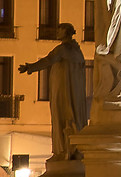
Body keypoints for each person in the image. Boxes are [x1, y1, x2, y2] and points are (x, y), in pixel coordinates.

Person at [20, 21, 90, 153]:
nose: (57, 32)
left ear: (67, 32)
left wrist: (30, 67)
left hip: (63, 91)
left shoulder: (63, 49)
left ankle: (63, 149)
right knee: (69, 117)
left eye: (60, 30)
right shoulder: (77, 51)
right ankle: (69, 148)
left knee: (60, 116)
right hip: (73, 93)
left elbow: (48, 60)